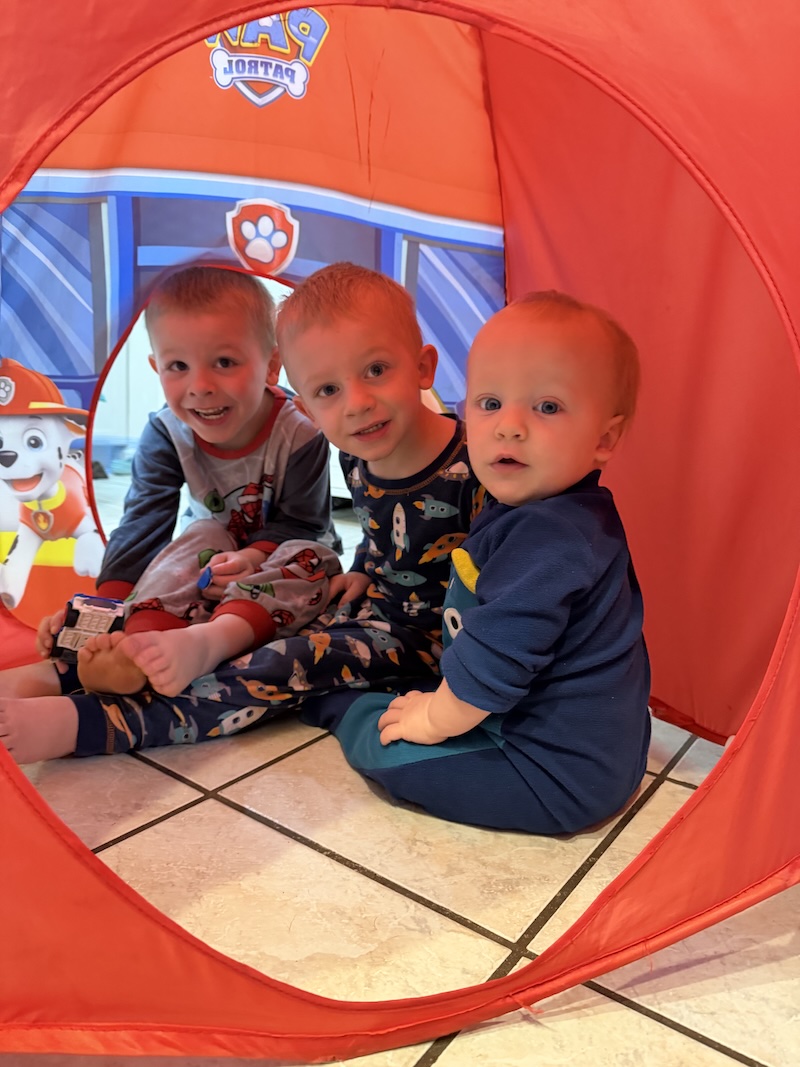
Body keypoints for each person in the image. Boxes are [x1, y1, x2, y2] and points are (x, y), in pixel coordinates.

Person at [0, 263, 481, 764]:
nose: (357, 403)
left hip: (419, 633)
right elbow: (384, 527)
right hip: (338, 602)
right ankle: (90, 660)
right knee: (208, 548)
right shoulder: (355, 451)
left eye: (376, 370)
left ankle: (93, 722)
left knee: (281, 653)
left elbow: (509, 559)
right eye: (328, 391)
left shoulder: (478, 462)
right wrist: (364, 566)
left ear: (424, 367)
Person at [304, 290, 652, 835]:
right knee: (423, 703)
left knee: (391, 749)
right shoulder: (557, 511)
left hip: (547, 777)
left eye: (547, 407)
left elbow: (496, 659)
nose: (508, 427)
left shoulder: (550, 538)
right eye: (490, 404)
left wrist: (434, 719)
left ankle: (339, 708)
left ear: (604, 438)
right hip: (596, 759)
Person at [0, 265, 341, 735]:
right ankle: (134, 648)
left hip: (278, 559)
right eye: (178, 367)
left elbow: (303, 524)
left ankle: (209, 639)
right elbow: (143, 525)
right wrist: (103, 608)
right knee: (194, 538)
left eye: (225, 362)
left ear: (272, 365)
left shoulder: (302, 434)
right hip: (207, 564)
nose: (200, 386)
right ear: (156, 368)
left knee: (311, 559)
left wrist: (251, 556)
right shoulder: (166, 431)